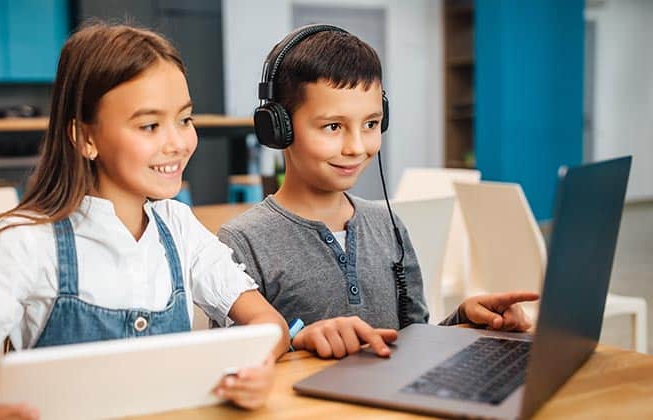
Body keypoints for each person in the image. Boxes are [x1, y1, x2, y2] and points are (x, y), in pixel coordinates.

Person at [0, 23, 288, 419]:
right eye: (149, 125)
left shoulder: (177, 227)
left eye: (184, 119)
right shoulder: (25, 244)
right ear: (84, 137)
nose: (177, 142)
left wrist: (255, 367)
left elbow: (271, 326)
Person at [219, 25, 537, 360]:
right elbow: (226, 362)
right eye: (333, 127)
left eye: (371, 124)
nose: (357, 147)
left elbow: (414, 343)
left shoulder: (389, 226)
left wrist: (465, 320)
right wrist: (300, 341)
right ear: (278, 128)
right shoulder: (243, 241)